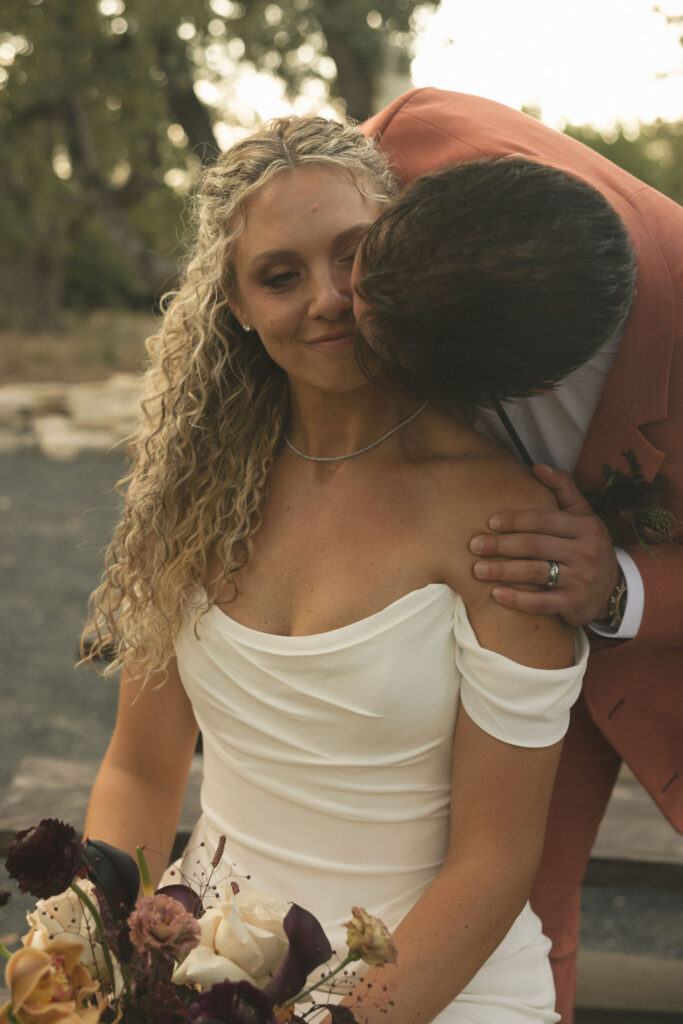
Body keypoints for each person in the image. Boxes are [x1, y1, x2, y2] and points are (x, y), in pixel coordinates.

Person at [83, 116, 593, 1023]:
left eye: (356, 258)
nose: (330, 299)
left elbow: (494, 863)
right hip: (208, 974)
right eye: (280, 276)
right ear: (236, 303)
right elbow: (142, 772)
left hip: (436, 984)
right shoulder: (189, 496)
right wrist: (103, 959)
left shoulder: (506, 520)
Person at [361, 87, 683, 1022]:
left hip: (628, 650)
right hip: (434, 605)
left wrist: (615, 588)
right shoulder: (401, 146)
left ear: (536, 383)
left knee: (524, 931)